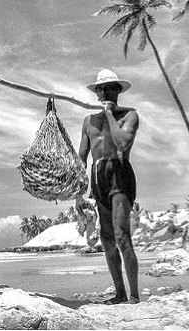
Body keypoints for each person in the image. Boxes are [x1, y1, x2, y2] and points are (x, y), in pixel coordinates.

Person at [75, 69, 140, 304]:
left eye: (110, 88)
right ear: (96, 93)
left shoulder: (129, 115)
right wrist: (77, 193)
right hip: (97, 176)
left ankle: (134, 296)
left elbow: (122, 143)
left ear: (118, 91)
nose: (105, 92)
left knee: (122, 236)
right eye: (101, 89)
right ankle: (119, 293)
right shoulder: (88, 121)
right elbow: (81, 159)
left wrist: (110, 114)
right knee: (107, 239)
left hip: (119, 172)